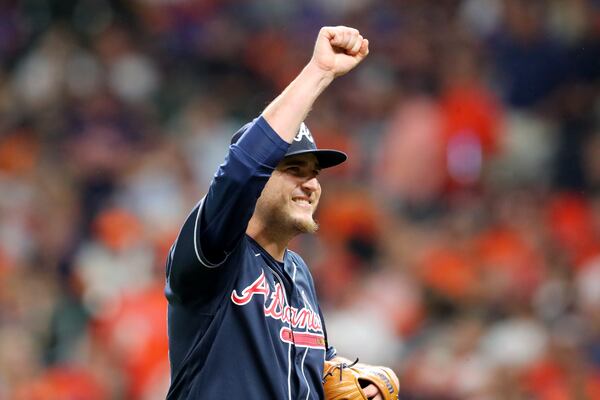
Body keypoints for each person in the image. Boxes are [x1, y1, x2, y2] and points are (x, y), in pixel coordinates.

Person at [165, 26, 398, 399]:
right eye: (293, 170)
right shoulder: (215, 252)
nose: (310, 184)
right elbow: (241, 171)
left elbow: (310, 366)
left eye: (314, 173)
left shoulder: (299, 274)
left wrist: (350, 382)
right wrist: (318, 72)